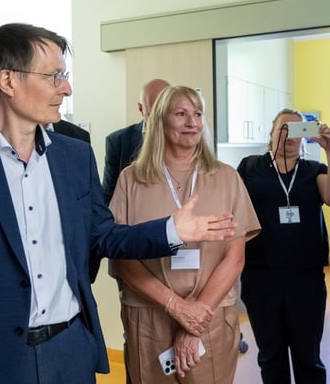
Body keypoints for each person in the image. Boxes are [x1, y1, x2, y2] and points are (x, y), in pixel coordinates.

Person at [0, 23, 237, 384]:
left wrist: (171, 230)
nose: (66, 88)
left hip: (69, 355)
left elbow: (102, 236)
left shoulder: (75, 156)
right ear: (8, 81)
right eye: (55, 76)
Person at [109, 85, 261, 383]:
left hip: (210, 315)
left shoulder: (226, 177)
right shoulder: (131, 179)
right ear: (160, 121)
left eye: (198, 114)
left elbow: (235, 257)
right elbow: (121, 257)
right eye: (181, 114)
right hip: (149, 317)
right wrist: (176, 307)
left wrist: (195, 317)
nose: (192, 122)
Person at [236, 108, 330, 384]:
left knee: (308, 357)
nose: (289, 135)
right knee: (271, 357)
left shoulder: (312, 170)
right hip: (261, 277)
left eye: (297, 130)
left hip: (305, 278)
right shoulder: (250, 167)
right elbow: (232, 207)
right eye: (283, 128)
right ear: (270, 134)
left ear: (305, 137)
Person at [101, 78, 169, 205]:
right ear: (140, 108)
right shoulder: (118, 142)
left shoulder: (188, 139)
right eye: (154, 115)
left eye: (166, 112)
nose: (160, 122)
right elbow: (108, 196)